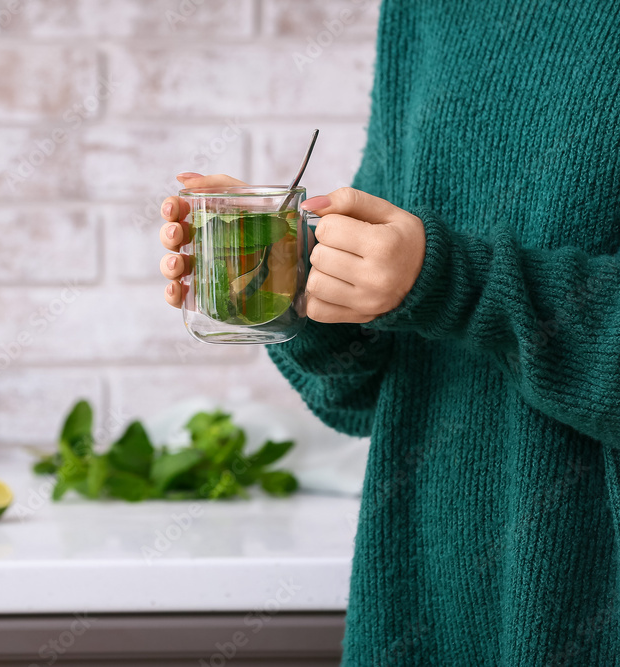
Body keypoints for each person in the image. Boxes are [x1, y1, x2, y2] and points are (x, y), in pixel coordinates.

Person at [157, 4, 620, 664]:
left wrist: (452, 282)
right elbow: (370, 387)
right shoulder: (422, 11)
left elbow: (441, 283)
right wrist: (284, 275)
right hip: (422, 604)